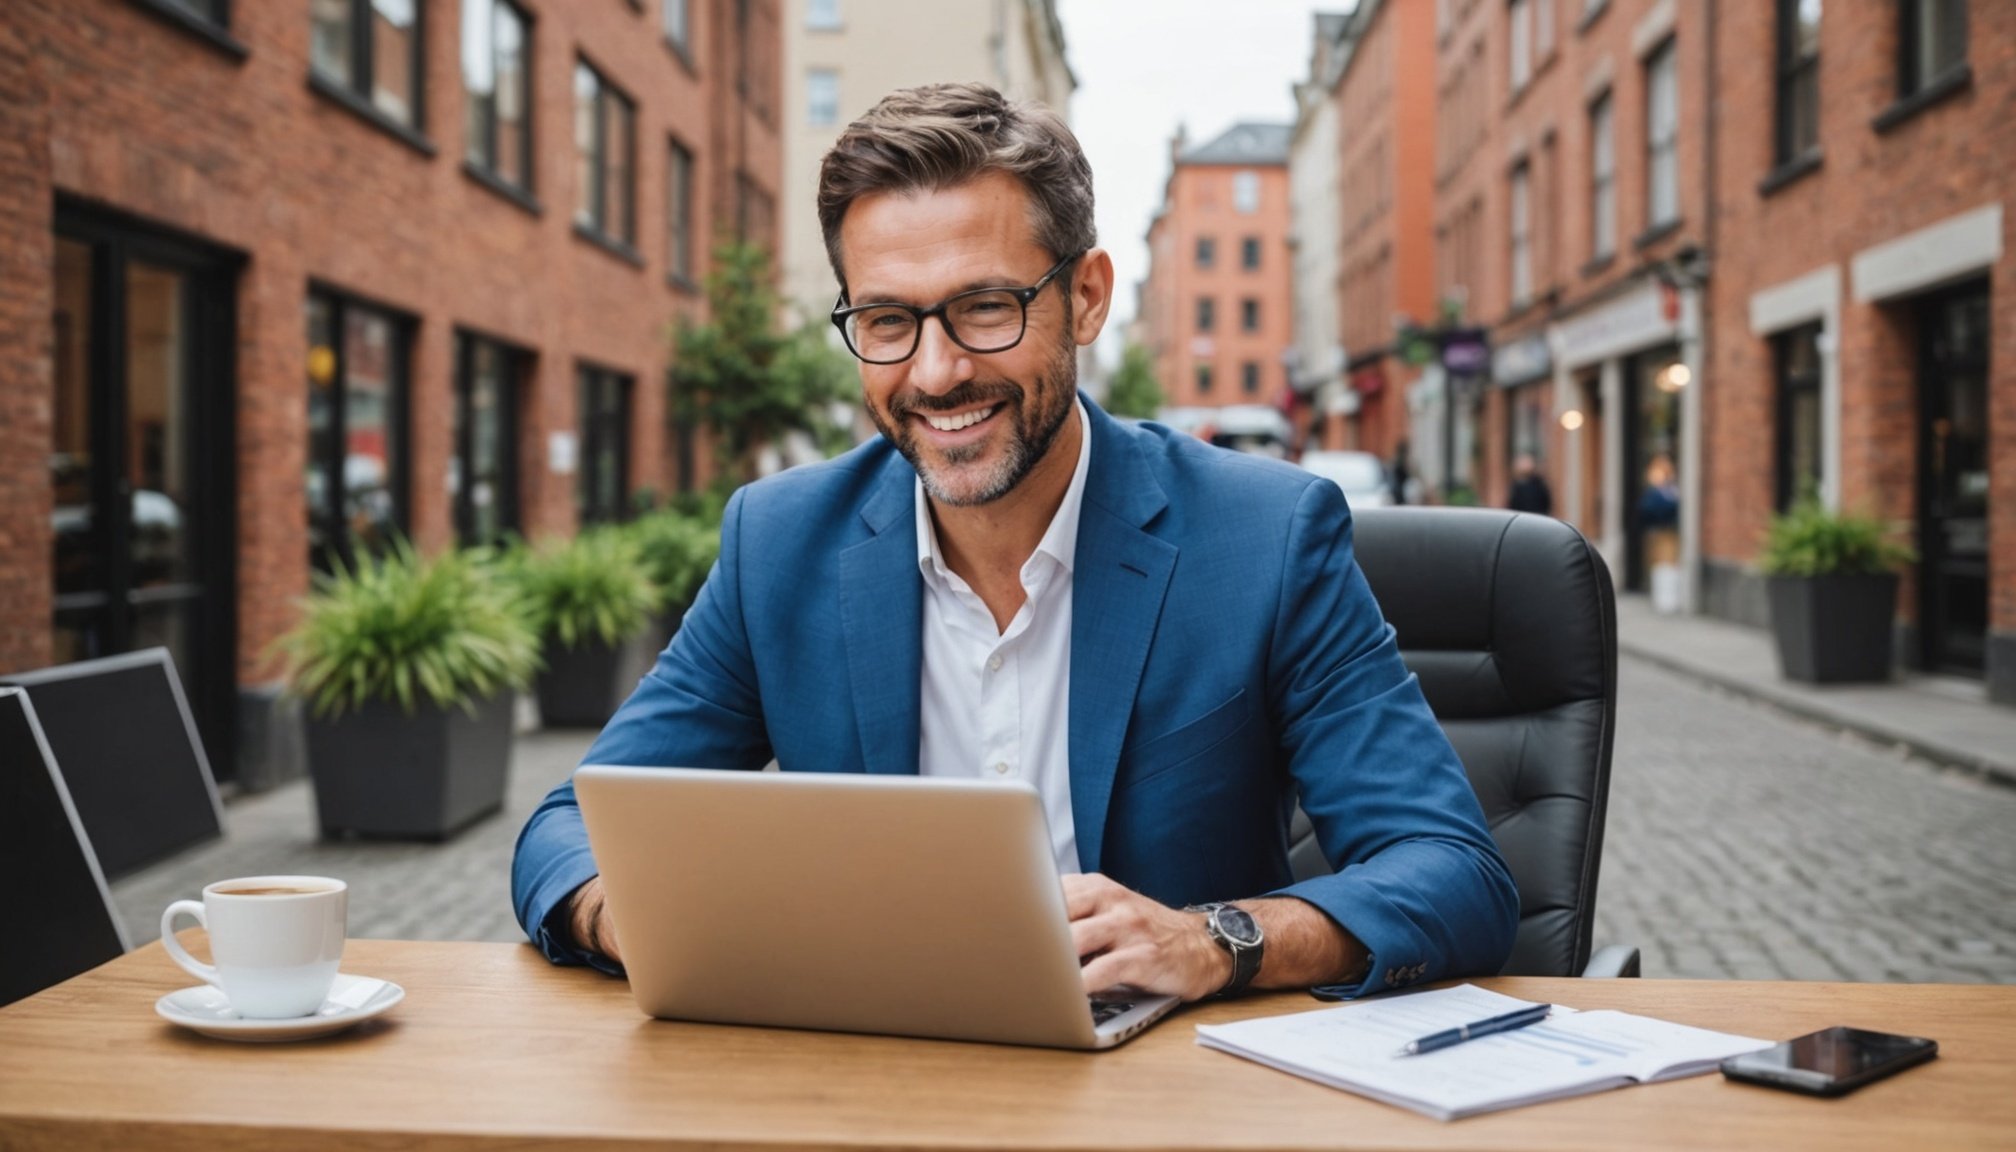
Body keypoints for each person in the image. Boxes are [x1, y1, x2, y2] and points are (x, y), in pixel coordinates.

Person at [512, 83, 1516, 1003]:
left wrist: (1215, 941)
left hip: (1164, 1100)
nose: (936, 372)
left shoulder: (1266, 538)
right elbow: (569, 827)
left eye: (986, 307)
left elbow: (1452, 874)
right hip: (871, 1081)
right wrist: (624, 915)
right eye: (888, 320)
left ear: (1085, 296)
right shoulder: (781, 544)